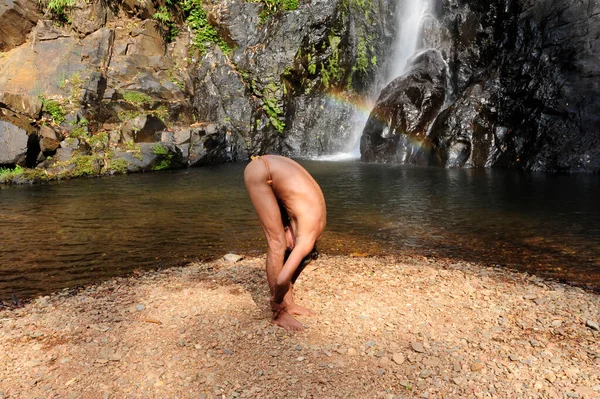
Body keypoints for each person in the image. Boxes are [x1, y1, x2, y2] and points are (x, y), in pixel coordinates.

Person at [244, 154, 326, 331]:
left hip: (270, 166)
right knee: (277, 243)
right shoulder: (306, 240)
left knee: (280, 243)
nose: (290, 247)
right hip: (261, 172)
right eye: (292, 249)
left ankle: (290, 304)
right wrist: (276, 299)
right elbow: (282, 280)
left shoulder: (310, 231)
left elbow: (285, 277)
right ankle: (279, 313)